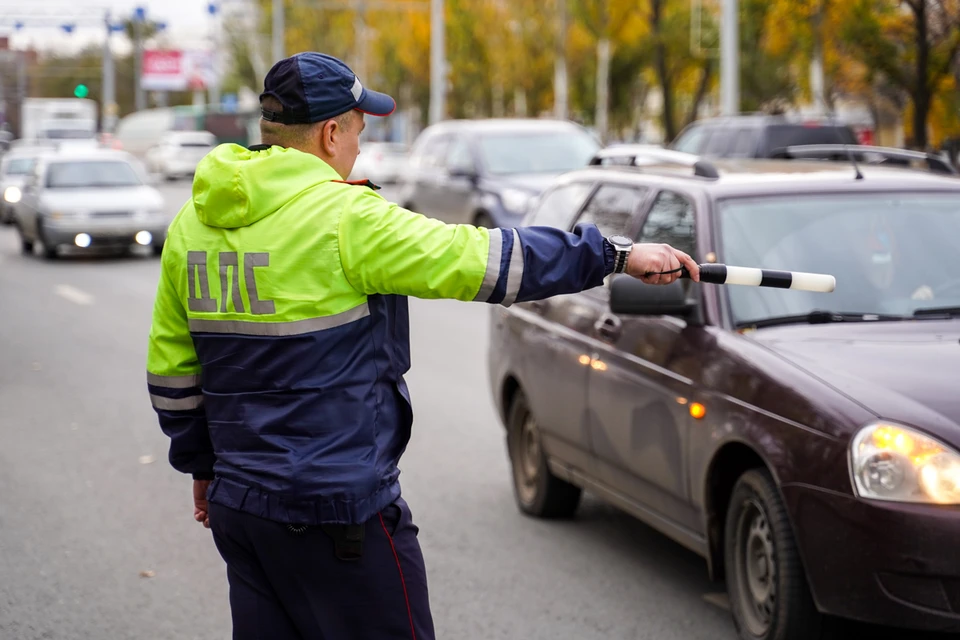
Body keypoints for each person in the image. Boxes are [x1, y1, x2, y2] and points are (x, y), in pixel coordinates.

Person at [145, 51, 700, 640]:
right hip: (338, 514)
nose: (360, 146)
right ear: (331, 132)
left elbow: (172, 374)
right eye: (359, 130)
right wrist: (612, 255)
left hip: (241, 510)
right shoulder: (344, 219)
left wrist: (204, 465)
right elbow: (485, 261)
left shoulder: (193, 224)